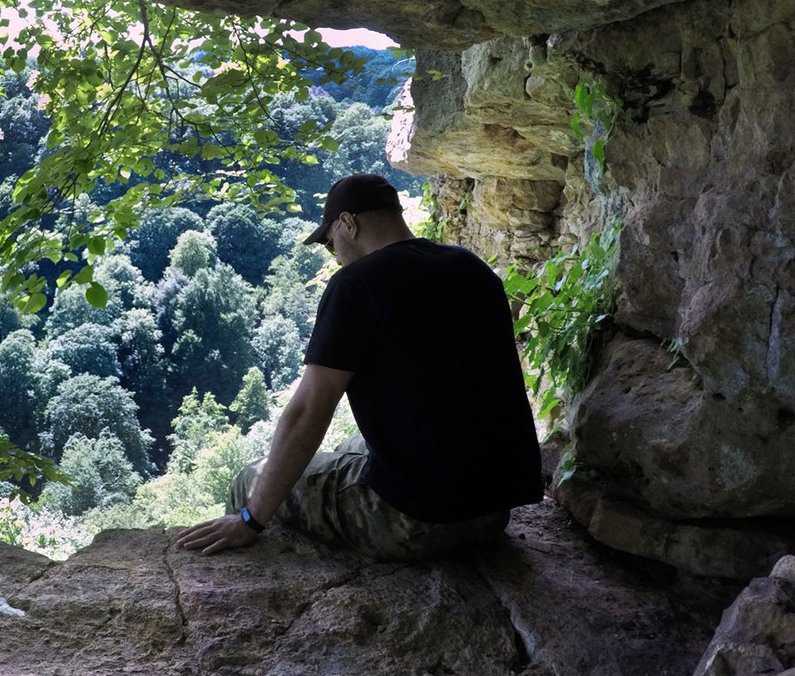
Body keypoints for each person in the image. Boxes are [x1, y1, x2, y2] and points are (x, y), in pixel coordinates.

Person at [176, 173, 542, 560]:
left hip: (418, 522)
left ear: (348, 223)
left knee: (250, 479)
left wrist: (251, 519)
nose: (334, 255)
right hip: (492, 510)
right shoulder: (472, 268)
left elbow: (308, 413)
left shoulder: (356, 285)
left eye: (331, 241)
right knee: (350, 447)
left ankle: (241, 553)